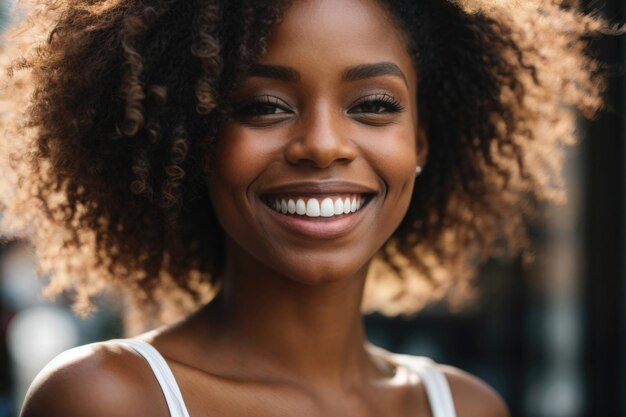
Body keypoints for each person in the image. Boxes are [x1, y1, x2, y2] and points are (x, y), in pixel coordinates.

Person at [0, 0, 615, 416]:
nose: (323, 144)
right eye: (264, 106)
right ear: (193, 141)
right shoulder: (110, 399)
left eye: (373, 104)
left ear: (421, 142)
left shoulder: (465, 407)